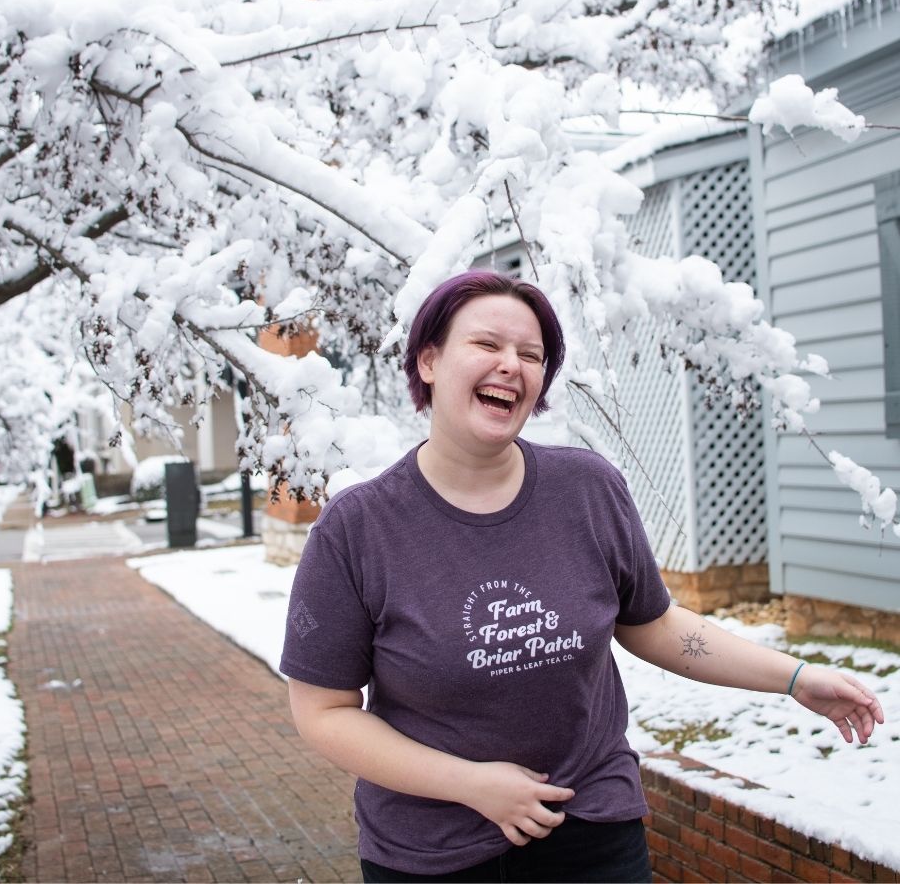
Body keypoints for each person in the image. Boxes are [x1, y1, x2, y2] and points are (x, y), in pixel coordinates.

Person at [279, 270, 885, 883]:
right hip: (431, 852)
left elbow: (654, 626)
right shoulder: (357, 530)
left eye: (531, 354)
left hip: (592, 832)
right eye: (487, 345)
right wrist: (472, 786)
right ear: (429, 360)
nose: (511, 365)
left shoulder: (588, 490)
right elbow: (324, 711)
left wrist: (796, 678)